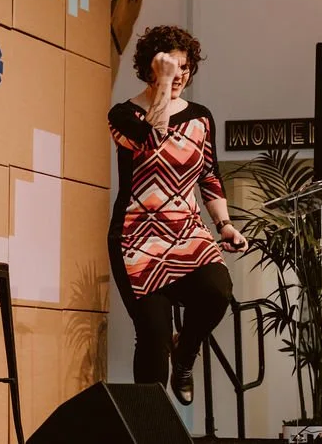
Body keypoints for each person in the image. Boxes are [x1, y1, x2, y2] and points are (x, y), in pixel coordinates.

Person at [107, 25, 248, 405]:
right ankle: (149, 425)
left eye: (184, 67)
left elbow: (208, 173)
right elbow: (152, 143)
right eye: (170, 66)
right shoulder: (123, 114)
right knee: (152, 336)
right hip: (136, 239)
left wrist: (225, 224)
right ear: (150, 68)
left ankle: (184, 354)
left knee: (217, 291)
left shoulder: (201, 117)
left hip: (187, 233)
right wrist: (164, 86)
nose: (179, 74)